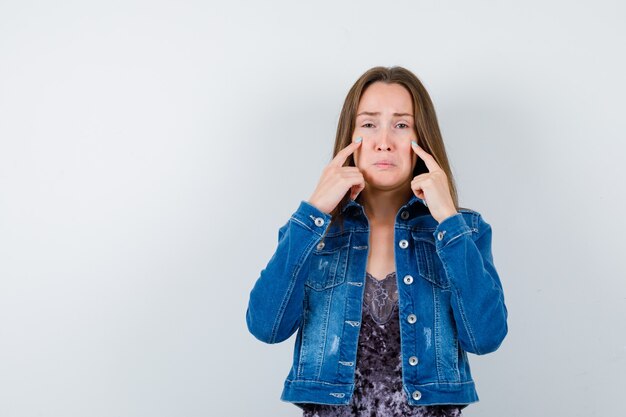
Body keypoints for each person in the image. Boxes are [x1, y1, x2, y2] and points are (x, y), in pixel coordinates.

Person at [245, 66, 508, 416]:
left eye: (401, 125)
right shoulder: (313, 233)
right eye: (368, 124)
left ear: (422, 139)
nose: (384, 140)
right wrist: (315, 211)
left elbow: (485, 338)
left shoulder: (465, 230)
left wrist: (448, 220)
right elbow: (267, 327)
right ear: (349, 138)